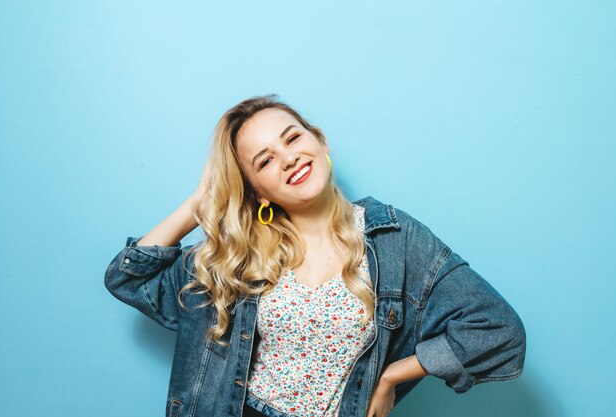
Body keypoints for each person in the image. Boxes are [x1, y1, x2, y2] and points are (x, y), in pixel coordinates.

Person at [104, 94, 526, 417]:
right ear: (257, 190)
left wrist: (393, 376)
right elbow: (129, 278)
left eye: (293, 138)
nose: (288, 158)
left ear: (318, 140)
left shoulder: (394, 238)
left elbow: (497, 329)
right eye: (265, 160)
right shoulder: (240, 254)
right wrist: (200, 202)